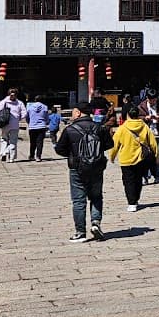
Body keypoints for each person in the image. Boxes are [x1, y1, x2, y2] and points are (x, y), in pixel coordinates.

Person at [55, 98, 110, 242]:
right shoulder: (99, 128)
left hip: (77, 168)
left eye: (73, 111)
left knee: (79, 200)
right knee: (96, 196)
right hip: (97, 167)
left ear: (78, 113)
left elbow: (59, 149)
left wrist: (74, 153)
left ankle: (80, 232)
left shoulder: (70, 129)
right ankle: (95, 223)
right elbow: (109, 144)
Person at [108, 104, 159, 213]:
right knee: (138, 180)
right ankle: (135, 199)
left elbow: (115, 145)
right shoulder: (144, 126)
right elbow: (153, 143)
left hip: (126, 159)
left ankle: (131, 202)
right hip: (141, 158)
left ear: (127, 115)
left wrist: (112, 156)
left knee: (128, 181)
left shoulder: (122, 129)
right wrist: (156, 155)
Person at [0, 90, 24, 162]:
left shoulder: (4, 102)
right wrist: (18, 118)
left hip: (5, 124)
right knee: (13, 141)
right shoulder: (19, 103)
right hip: (14, 125)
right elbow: (24, 113)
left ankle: (3, 153)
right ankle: (11, 158)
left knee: (4, 140)